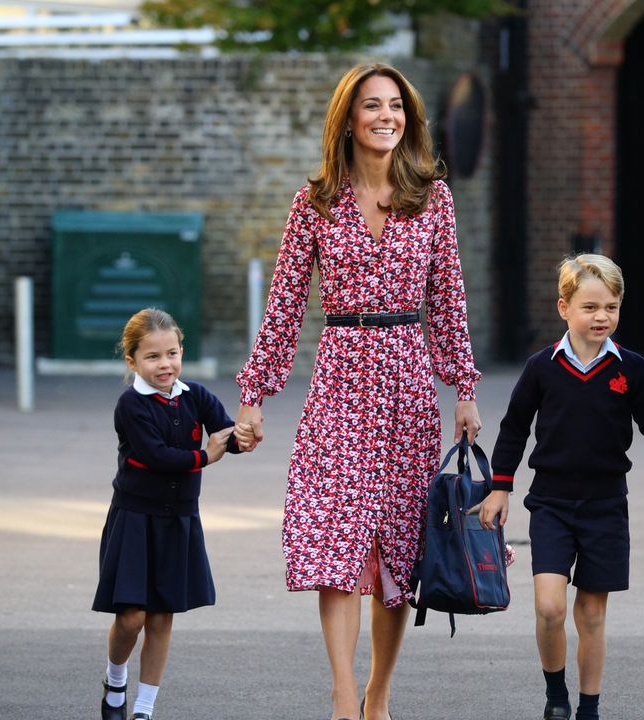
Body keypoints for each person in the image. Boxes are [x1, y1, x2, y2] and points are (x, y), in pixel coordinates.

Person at [231, 62, 482, 720]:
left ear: (409, 117)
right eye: (371, 106)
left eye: (395, 106)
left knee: (399, 551)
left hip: (407, 382)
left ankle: (379, 696)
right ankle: (344, 698)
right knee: (335, 540)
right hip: (340, 378)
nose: (385, 117)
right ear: (348, 118)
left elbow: (449, 302)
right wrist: (254, 392)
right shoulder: (314, 202)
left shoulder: (433, 197)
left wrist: (463, 386)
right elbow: (284, 308)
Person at [477, 254, 644, 720]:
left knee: (592, 615)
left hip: (606, 506)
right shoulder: (542, 367)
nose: (602, 317)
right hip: (551, 504)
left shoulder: (630, 368)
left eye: (611, 308)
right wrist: (500, 488)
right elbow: (514, 428)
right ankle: (556, 696)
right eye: (590, 307)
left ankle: (589, 708)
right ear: (564, 308)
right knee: (551, 607)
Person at [94, 307, 242, 720]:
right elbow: (156, 457)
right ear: (132, 361)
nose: (165, 365)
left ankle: (144, 708)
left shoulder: (195, 396)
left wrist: (243, 435)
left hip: (179, 519)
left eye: (172, 353)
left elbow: (225, 429)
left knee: (161, 618)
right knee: (131, 617)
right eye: (153, 357)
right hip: (135, 518)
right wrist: (206, 456)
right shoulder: (131, 405)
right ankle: (115, 680)